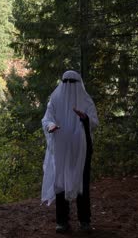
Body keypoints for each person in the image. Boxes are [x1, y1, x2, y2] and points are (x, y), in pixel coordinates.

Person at [41, 70, 99, 233]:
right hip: (61, 147)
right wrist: (50, 126)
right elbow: (47, 118)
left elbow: (94, 121)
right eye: (66, 82)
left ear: (78, 83)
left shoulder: (85, 100)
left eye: (72, 83)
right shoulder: (56, 99)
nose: (69, 87)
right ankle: (62, 221)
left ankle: (85, 221)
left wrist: (85, 118)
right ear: (62, 83)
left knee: (83, 184)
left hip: (82, 148)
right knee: (60, 182)